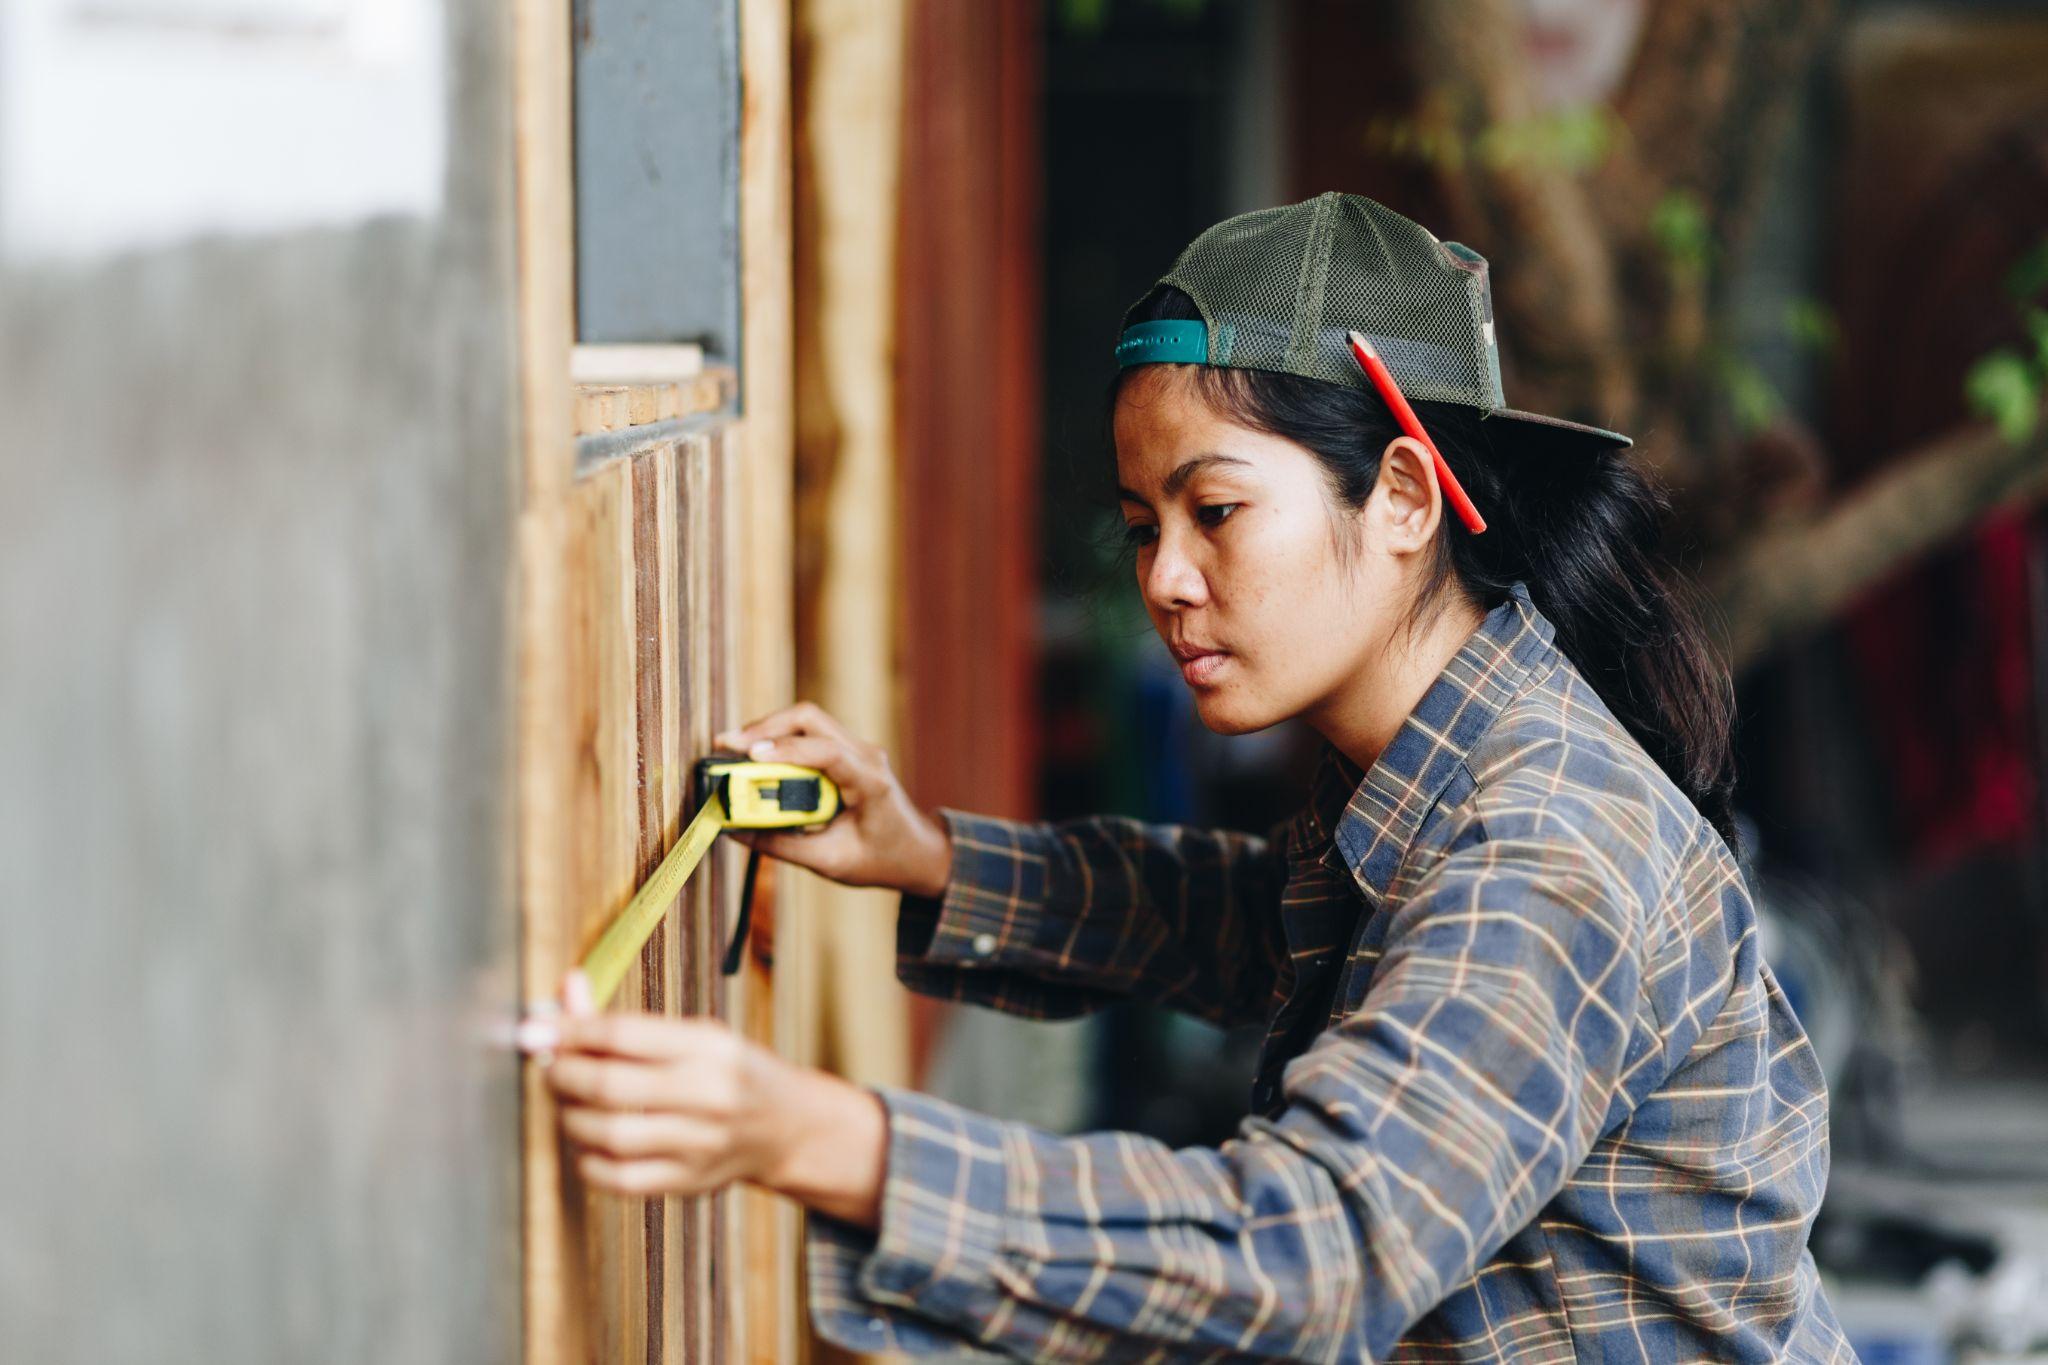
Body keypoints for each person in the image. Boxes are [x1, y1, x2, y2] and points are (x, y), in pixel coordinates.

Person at [520, 192, 1855, 1361]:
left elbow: (1313, 1251)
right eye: (1140, 526)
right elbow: (1257, 917)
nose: (1165, 579)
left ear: (1402, 495)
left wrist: (826, 1139)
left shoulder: (1545, 851)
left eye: (1214, 513)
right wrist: (923, 851)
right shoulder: (1435, 762)